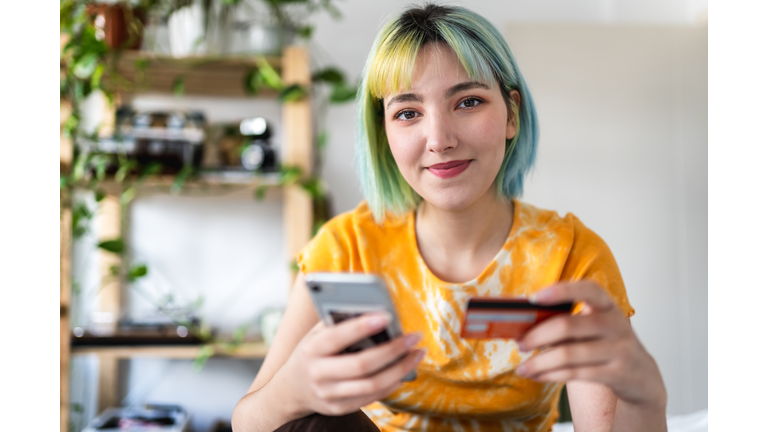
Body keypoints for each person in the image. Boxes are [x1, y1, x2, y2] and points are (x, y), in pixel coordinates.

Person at [232, 4, 667, 431]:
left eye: (469, 101)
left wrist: (647, 392)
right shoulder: (347, 246)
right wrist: (290, 390)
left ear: (511, 113)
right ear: (384, 131)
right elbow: (248, 423)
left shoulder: (571, 255)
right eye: (407, 113)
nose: (439, 139)